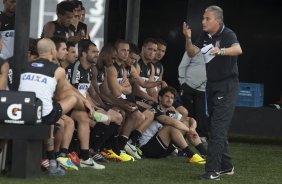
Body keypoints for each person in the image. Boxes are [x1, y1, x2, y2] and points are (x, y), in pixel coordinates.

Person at [184, 5, 242, 180]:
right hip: (212, 85)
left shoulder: (228, 34)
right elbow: (192, 52)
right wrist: (188, 38)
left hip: (227, 85)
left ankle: (212, 171)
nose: (203, 21)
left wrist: (221, 51)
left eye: (207, 18)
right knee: (214, 128)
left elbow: (238, 49)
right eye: (203, 18)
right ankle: (226, 166)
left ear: (217, 20)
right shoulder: (205, 36)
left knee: (217, 128)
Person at [139, 86, 206, 164]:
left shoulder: (171, 111)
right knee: (170, 127)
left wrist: (192, 128)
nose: (169, 99)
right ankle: (191, 155)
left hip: (164, 149)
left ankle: (205, 154)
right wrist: (189, 130)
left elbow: (191, 119)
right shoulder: (154, 109)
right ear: (160, 98)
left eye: (172, 98)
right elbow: (171, 122)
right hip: (148, 149)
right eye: (167, 96)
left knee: (187, 123)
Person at [179, 22, 208, 141]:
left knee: (200, 112)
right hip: (188, 86)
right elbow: (182, 66)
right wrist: (183, 83)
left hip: (202, 88)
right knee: (187, 111)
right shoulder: (193, 50)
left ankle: (199, 134)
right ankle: (186, 134)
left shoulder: (213, 53)